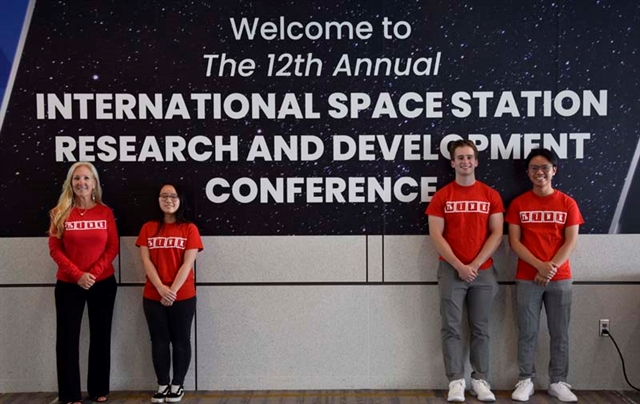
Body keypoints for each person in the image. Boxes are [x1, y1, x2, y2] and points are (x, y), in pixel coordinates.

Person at [426, 139, 504, 402]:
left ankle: (480, 380)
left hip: (484, 272)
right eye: (460, 158)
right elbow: (436, 235)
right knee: (451, 327)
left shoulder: (490, 195)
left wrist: (475, 264)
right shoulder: (442, 196)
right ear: (452, 163)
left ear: (476, 161)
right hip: (450, 270)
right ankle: (455, 381)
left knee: (481, 328)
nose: (465, 162)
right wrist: (460, 266)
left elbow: (497, 233)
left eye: (469, 157)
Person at [507, 148, 583, 402]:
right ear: (528, 173)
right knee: (527, 330)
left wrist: (549, 269)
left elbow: (570, 241)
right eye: (534, 168)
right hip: (527, 277)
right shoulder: (518, 204)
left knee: (559, 332)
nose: (540, 172)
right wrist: (539, 265)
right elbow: (515, 243)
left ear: (554, 170)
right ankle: (525, 379)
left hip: (560, 278)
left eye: (544, 167)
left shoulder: (567, 203)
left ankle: (558, 381)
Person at [48, 162, 119, 404]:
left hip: (103, 283)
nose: (82, 183)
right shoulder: (59, 212)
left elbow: (113, 247)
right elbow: (55, 249)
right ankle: (69, 394)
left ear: (94, 183)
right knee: (67, 338)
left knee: (101, 336)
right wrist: (77, 274)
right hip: (69, 284)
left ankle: (99, 389)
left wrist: (94, 273)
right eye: (77, 178)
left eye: (87, 178)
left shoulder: (105, 212)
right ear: (70, 183)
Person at [136, 184, 203, 403]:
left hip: (182, 296)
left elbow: (188, 263)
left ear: (181, 200)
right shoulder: (148, 228)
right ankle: (163, 384)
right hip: (153, 295)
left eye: (173, 196)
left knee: (181, 340)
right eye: (164, 196)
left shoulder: (190, 229)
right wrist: (161, 288)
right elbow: (146, 261)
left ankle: (178, 384)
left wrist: (172, 291)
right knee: (159, 341)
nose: (168, 200)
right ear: (157, 200)